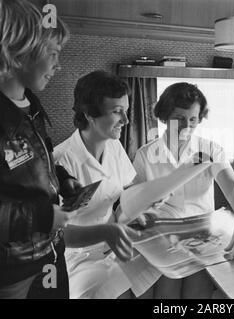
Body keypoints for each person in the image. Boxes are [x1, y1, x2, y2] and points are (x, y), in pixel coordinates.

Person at [0, 0, 78, 298]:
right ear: (18, 51)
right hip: (6, 273)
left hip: (48, 254)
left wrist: (65, 182)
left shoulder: (30, 105)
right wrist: (41, 217)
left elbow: (37, 164)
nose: (59, 65)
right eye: (53, 54)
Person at [133, 82, 234, 299]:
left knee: (198, 291)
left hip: (203, 238)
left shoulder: (210, 150)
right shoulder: (145, 155)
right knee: (167, 293)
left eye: (193, 120)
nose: (186, 127)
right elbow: (134, 204)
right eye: (179, 119)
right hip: (164, 239)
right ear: (163, 117)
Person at [53, 70, 161, 299]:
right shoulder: (61, 162)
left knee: (165, 262)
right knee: (109, 285)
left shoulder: (114, 147)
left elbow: (129, 191)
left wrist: (147, 203)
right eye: (117, 112)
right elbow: (60, 235)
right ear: (90, 114)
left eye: (127, 110)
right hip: (79, 257)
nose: (126, 120)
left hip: (115, 243)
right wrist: (107, 232)